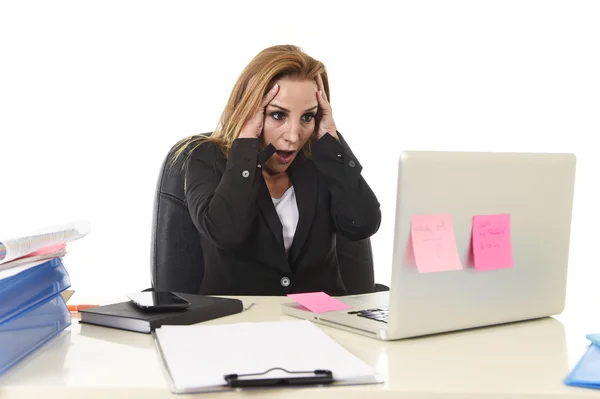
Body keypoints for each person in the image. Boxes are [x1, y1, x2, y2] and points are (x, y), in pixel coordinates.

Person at [176, 44, 381, 296]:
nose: (294, 136)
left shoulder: (321, 161)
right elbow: (226, 233)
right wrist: (247, 145)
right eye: (277, 115)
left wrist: (333, 144)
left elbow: (362, 224)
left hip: (321, 322)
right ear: (250, 111)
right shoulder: (206, 158)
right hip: (239, 325)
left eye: (307, 117)